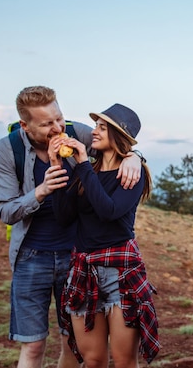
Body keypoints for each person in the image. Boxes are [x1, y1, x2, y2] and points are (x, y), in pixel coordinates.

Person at [0, 86, 143, 368]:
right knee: (34, 346)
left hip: (76, 257)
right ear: (25, 125)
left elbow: (117, 141)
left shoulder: (78, 133)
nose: (57, 127)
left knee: (73, 343)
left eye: (59, 118)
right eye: (47, 123)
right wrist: (41, 191)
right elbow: (5, 211)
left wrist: (136, 158)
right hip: (31, 256)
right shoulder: (7, 149)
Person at [49, 103, 159, 368]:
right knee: (93, 360)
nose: (94, 133)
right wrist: (56, 164)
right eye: (96, 126)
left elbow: (109, 211)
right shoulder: (84, 172)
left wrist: (84, 164)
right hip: (84, 272)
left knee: (123, 361)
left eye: (101, 127)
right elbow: (64, 217)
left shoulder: (132, 172)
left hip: (119, 273)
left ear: (118, 134)